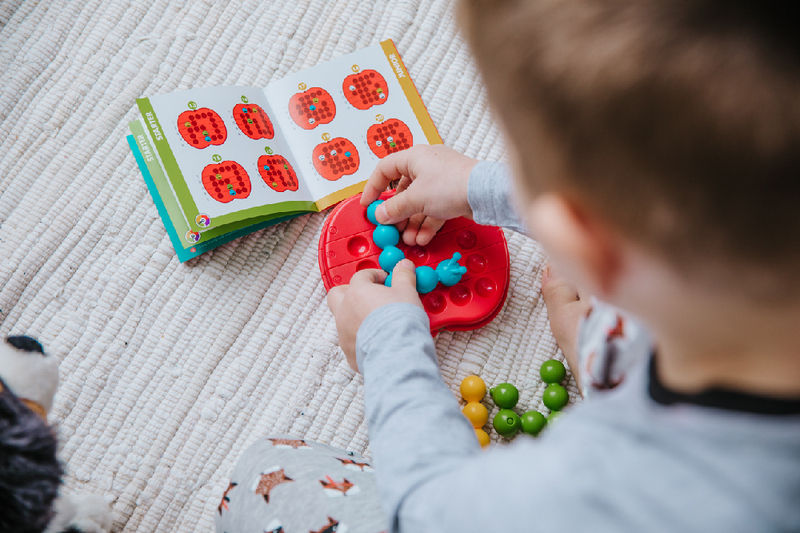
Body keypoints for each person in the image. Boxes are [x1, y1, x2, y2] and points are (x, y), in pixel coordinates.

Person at [217, 1, 800, 531]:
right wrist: (478, 186)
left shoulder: (602, 490)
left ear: (588, 244)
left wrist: (389, 346)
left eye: (523, 167)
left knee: (268, 479)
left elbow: (427, 510)